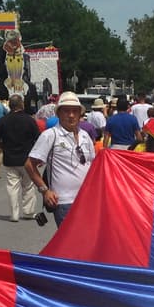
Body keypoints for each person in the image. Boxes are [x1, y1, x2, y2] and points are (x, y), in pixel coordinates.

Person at [25, 91, 97, 227]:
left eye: (74, 111)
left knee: (88, 238)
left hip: (87, 199)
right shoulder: (50, 135)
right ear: (58, 113)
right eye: (66, 111)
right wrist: (45, 191)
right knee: (72, 240)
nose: (71, 115)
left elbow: (93, 165)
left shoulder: (85, 136)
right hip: (64, 202)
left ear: (80, 114)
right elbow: (29, 164)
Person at [0, 93, 43, 224]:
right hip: (27, 159)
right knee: (28, 185)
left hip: (10, 158)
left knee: (12, 187)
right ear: (22, 105)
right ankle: (28, 212)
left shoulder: (3, 120)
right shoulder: (29, 120)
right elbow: (38, 139)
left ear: (10, 105)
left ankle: (14, 214)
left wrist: (4, 147)